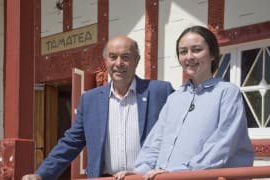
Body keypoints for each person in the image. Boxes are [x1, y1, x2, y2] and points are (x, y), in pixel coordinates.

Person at [22, 36, 174, 180]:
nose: (118, 63)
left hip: (148, 178)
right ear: (106, 61)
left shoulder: (160, 92)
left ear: (137, 60)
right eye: (113, 57)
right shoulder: (90, 100)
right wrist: (41, 174)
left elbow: (179, 133)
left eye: (126, 57)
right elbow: (71, 142)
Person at [114, 26, 254, 180]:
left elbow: (223, 144)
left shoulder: (227, 93)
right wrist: (141, 170)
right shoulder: (175, 98)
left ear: (213, 54)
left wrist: (181, 171)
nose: (189, 57)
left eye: (196, 49)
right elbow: (156, 140)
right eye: (183, 52)